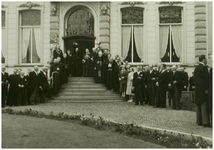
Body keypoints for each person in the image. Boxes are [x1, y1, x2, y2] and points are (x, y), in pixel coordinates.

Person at [194, 55, 210, 127]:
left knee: (198, 103)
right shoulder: (204, 68)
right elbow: (207, 79)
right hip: (203, 88)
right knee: (204, 103)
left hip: (198, 88)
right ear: (203, 59)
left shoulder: (196, 68)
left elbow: (195, 77)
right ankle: (205, 121)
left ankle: (199, 120)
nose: (206, 60)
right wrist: (207, 88)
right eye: (205, 59)